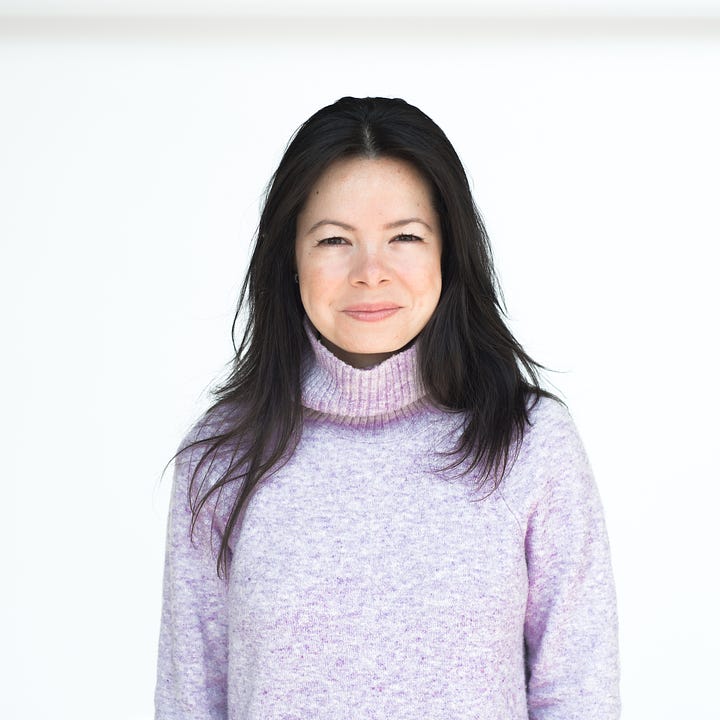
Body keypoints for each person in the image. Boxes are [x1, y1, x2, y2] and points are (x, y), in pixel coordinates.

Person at [154, 96, 620, 719]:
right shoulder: (224, 457)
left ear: (447, 252)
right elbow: (191, 701)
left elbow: (579, 695)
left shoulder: (530, 443)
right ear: (289, 258)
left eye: (404, 237)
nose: (370, 272)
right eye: (333, 240)